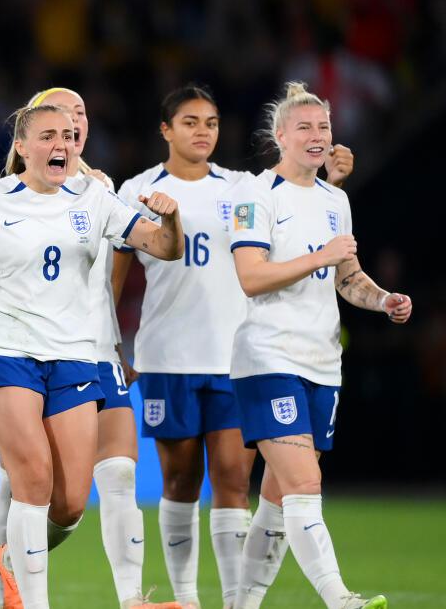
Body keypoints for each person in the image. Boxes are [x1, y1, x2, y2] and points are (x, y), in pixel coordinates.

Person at [0, 102, 183, 609]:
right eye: (48, 136)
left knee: (69, 504)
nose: (62, 145)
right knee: (32, 476)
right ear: (22, 147)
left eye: (69, 136)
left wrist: (172, 220)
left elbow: (163, 246)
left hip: (72, 358)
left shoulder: (95, 198)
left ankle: (13, 560)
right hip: (5, 351)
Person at [114, 85, 354, 609]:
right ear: (165, 130)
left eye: (212, 122)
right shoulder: (137, 189)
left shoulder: (243, 187)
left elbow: (296, 196)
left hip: (233, 356)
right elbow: (116, 271)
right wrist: (112, 342)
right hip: (166, 354)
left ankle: (231, 600)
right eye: (191, 122)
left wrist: (330, 177)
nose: (203, 131)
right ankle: (185, 598)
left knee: (231, 480)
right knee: (179, 480)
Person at [0, 88, 181, 609]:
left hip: (95, 348)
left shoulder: (99, 189)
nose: (73, 122)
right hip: (30, 350)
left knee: (117, 473)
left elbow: (111, 274)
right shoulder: (10, 194)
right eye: (58, 118)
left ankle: (131, 598)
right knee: (23, 482)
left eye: (80, 115)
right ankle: (12, 585)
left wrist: (115, 341)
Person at [228, 82, 408, 609]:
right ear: (279, 136)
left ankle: (240, 604)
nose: (316, 135)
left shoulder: (336, 200)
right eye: (304, 127)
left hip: (323, 362)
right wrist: (321, 254)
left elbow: (347, 276)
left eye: (324, 127)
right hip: (267, 358)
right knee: (305, 481)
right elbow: (251, 277)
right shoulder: (256, 196)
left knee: (280, 497)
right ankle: (339, 598)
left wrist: (382, 300)